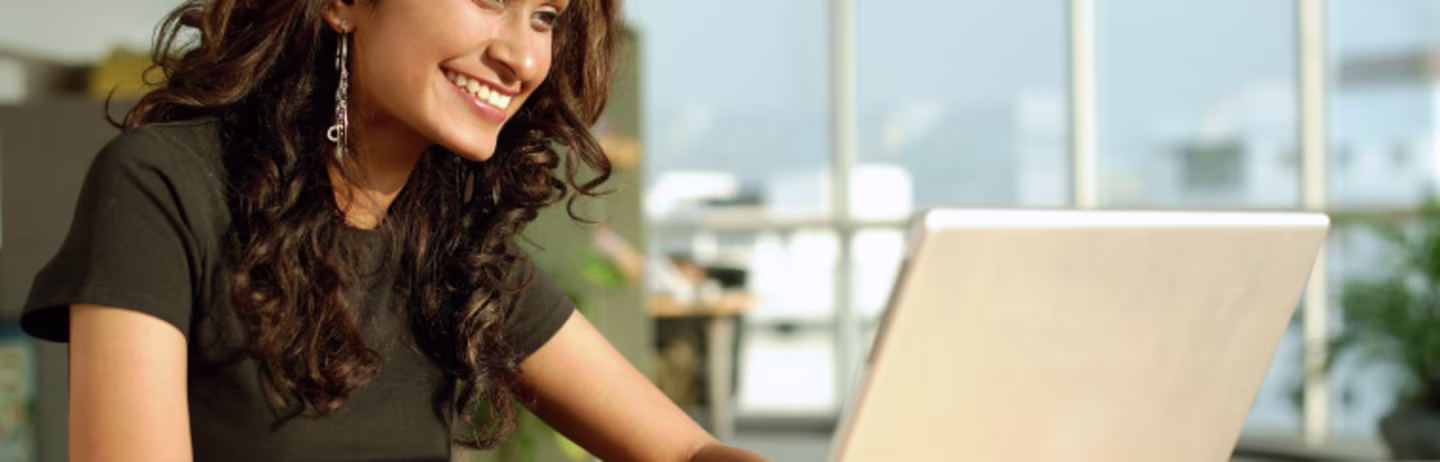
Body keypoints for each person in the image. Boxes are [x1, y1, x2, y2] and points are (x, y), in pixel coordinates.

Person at [19, 0, 766, 460]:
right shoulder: (166, 185)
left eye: (546, 15)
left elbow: (685, 449)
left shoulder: (452, 247)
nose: (525, 55)